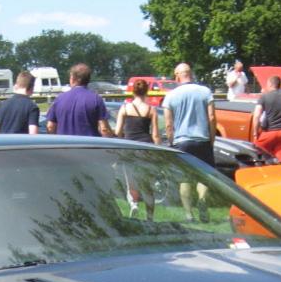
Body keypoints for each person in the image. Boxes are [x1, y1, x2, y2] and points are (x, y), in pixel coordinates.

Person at [162, 62, 217, 221]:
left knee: (184, 178)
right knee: (204, 176)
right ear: (190, 74)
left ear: (177, 76)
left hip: (182, 141)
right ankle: (202, 200)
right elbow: (212, 117)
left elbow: (168, 124)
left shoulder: (171, 96)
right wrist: (211, 138)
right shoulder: (205, 91)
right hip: (202, 140)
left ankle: (189, 214)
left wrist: (172, 142)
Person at [115, 79, 160, 218]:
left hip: (129, 147)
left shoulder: (125, 108)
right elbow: (155, 135)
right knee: (147, 184)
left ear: (132, 91)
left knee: (131, 181)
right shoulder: (151, 110)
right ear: (147, 91)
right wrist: (159, 152)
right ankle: (150, 216)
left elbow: (117, 131)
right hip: (145, 147)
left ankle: (134, 204)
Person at [46, 63, 111, 136]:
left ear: (73, 78)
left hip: (64, 142)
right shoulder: (96, 99)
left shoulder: (59, 99)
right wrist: (114, 138)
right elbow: (104, 129)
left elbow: (50, 127)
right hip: (88, 142)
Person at [250, 75, 281, 163]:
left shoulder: (264, 97)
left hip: (269, 132)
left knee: (255, 153)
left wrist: (255, 132)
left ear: (270, 84)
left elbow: (257, 116)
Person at [0, 70, 40, 135]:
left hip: (3, 141)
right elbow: (33, 133)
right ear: (32, 87)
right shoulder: (32, 107)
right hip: (22, 141)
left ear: (16, 85)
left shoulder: (2, 105)